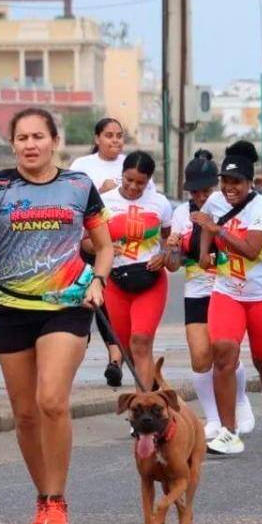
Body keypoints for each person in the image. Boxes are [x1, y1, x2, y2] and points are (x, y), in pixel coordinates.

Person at [0, 107, 113, 524]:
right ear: (13, 145)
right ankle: (43, 496)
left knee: (52, 400)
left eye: (39, 136)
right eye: (22, 138)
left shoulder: (78, 185)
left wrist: (98, 280)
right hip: (10, 306)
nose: (31, 145)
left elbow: (105, 246)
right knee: (24, 415)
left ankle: (57, 501)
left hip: (67, 303)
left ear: (55, 141)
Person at [192, 141, 262, 456]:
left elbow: (249, 249)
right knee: (222, 352)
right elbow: (207, 222)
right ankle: (229, 432)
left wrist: (215, 231)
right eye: (225, 181)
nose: (229, 188)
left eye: (236, 182)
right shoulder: (216, 202)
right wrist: (204, 251)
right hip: (227, 292)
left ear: (250, 183)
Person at [165, 151, 255, 441]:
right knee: (200, 357)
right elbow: (173, 265)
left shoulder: (233, 209)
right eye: (195, 191)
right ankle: (214, 419)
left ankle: (239, 401)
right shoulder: (181, 214)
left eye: (206, 190)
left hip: (228, 289)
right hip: (197, 291)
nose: (201, 196)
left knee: (224, 354)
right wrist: (172, 248)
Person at [67, 117, 141, 387]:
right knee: (83, 304)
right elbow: (71, 203)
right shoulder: (81, 166)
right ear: (97, 138)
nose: (115, 140)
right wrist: (101, 192)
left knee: (110, 306)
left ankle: (115, 360)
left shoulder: (131, 165)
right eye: (109, 135)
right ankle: (70, 356)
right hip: (84, 246)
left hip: (117, 250)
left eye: (119, 135)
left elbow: (147, 200)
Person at [97, 151, 173, 391]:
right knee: (128, 347)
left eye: (140, 182)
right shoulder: (104, 201)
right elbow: (86, 243)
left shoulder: (160, 203)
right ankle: (154, 390)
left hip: (150, 282)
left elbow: (170, 244)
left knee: (141, 341)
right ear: (122, 175)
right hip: (116, 283)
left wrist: (164, 256)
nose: (132, 186)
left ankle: (145, 405)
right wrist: (106, 246)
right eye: (128, 179)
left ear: (149, 180)